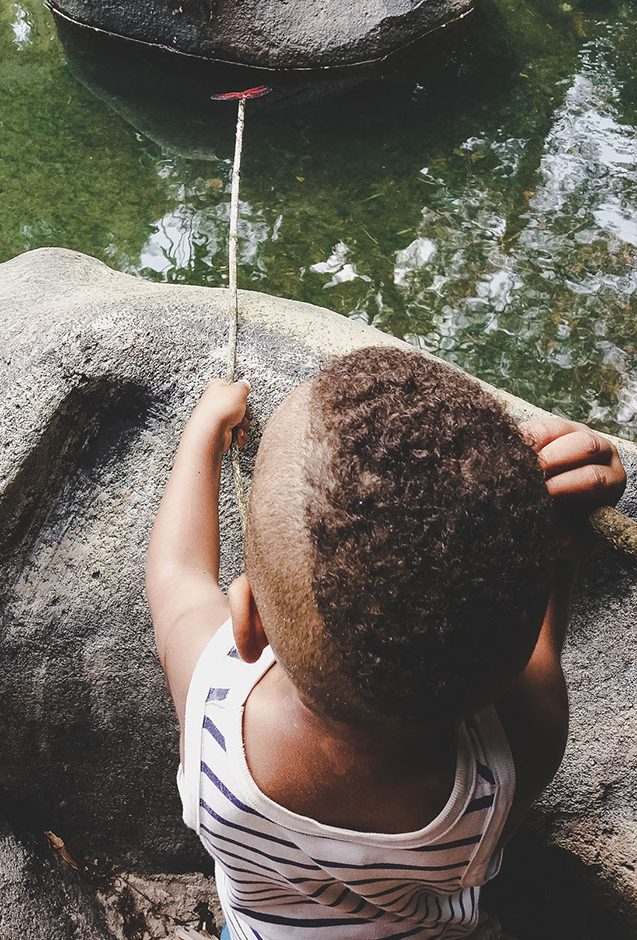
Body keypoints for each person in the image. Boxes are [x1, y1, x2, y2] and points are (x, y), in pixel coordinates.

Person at [146, 346, 626, 940]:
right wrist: (559, 533)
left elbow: (177, 575)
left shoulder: (213, 704)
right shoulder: (519, 752)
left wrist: (204, 432)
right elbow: (540, 635)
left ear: (247, 619)